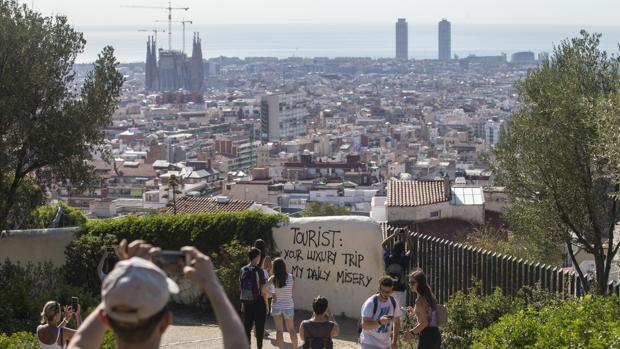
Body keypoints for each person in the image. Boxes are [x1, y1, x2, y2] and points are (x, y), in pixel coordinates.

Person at [68, 239, 248, 349]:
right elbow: (238, 346)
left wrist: (126, 274)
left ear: (106, 319)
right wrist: (212, 284)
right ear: (166, 322)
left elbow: (81, 340)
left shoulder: (105, 314)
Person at [403, 269, 441, 349]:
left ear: (420, 283)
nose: (410, 285)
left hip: (427, 336)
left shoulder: (420, 300)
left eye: (413, 283)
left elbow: (424, 323)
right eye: (409, 282)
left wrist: (411, 333)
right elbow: (428, 314)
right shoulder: (429, 296)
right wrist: (414, 312)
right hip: (436, 334)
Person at [360, 276, 401, 349]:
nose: (386, 294)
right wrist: (379, 322)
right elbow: (364, 325)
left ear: (392, 290)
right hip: (369, 341)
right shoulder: (370, 303)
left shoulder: (393, 302)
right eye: (383, 291)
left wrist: (394, 341)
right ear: (379, 289)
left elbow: (397, 321)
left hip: (385, 344)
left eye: (388, 292)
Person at [267, 258, 298, 349]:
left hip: (276, 306)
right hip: (288, 305)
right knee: (291, 329)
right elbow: (291, 290)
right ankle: (295, 348)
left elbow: (264, 289)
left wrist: (271, 294)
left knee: (279, 331)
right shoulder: (291, 277)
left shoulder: (273, 279)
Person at [382, 227, 413, 319]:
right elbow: (411, 250)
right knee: (400, 311)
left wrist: (394, 235)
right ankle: (399, 329)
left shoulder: (388, 258)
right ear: (402, 250)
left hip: (388, 287)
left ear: (393, 249)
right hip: (400, 288)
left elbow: (383, 245)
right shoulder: (403, 259)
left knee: (388, 309)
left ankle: (389, 328)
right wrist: (407, 236)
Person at [240, 247, 267, 349]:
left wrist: (242, 303)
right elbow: (263, 290)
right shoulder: (260, 271)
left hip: (247, 302)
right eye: (259, 256)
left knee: (247, 328)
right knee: (259, 329)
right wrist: (266, 305)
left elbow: (241, 287)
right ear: (256, 257)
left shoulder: (243, 270)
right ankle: (259, 347)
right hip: (259, 302)